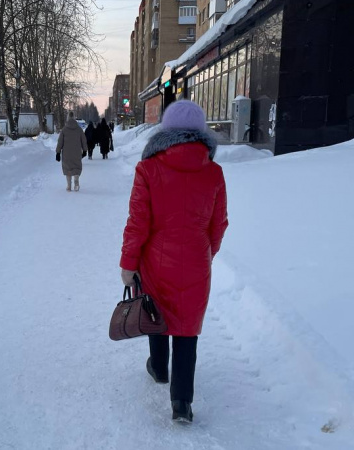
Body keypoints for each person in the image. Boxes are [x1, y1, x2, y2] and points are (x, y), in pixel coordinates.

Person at [119, 100, 228, 423]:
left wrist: (128, 263)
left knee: (156, 308)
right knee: (187, 326)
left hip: (155, 257)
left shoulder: (148, 168)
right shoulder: (214, 172)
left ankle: (158, 367)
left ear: (166, 130)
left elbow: (138, 222)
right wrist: (208, 252)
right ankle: (182, 401)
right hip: (196, 258)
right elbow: (219, 223)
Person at [56, 111, 88, 192]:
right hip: (77, 152)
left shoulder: (64, 130)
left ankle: (69, 185)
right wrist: (85, 150)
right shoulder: (79, 129)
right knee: (76, 167)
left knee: (68, 168)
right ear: (74, 118)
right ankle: (76, 183)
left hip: (66, 153)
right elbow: (83, 140)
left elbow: (60, 142)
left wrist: (58, 152)